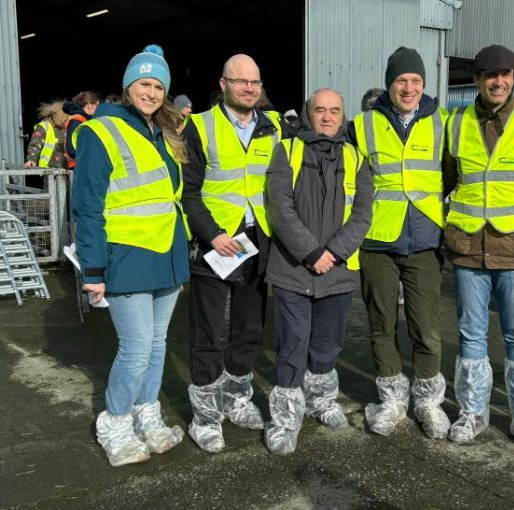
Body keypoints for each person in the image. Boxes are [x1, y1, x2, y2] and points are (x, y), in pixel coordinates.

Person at [72, 44, 190, 466]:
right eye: (144, 83)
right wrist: (93, 268)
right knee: (137, 347)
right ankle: (115, 422)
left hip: (166, 253)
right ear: (127, 86)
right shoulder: (100, 132)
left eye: (159, 86)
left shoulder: (163, 134)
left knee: (157, 345)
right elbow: (86, 205)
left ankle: (147, 415)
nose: (152, 92)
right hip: (126, 257)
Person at [443, 44, 514, 454]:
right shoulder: (455, 122)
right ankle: (473, 412)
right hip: (470, 246)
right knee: (471, 334)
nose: (498, 81)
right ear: (475, 80)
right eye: (490, 74)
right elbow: (449, 180)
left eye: (505, 73)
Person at [181, 54, 290, 453]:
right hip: (216, 243)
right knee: (207, 331)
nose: (249, 88)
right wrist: (211, 234)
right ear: (223, 83)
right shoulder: (198, 126)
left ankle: (237, 397)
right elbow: (188, 191)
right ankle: (206, 416)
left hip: (258, 241)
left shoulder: (275, 126)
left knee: (249, 328)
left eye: (255, 82)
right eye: (240, 81)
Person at [263, 88, 372, 455]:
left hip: (337, 271)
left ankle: (322, 402)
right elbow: (279, 206)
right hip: (293, 268)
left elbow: (363, 214)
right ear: (309, 114)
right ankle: (284, 419)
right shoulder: (288, 150)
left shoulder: (356, 157)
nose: (327, 117)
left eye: (335, 111)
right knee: (293, 344)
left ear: (343, 116)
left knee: (327, 344)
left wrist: (334, 252)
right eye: (320, 110)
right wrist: (311, 251)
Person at [350, 47, 450, 440]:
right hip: (378, 240)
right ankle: (391, 400)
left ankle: (428, 402)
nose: (408, 88)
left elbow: (453, 172)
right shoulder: (363, 124)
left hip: (425, 239)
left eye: (415, 81)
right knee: (381, 325)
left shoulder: (442, 123)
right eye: (400, 81)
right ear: (389, 84)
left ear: (423, 85)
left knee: (426, 328)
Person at [25, 101, 68, 168]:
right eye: (64, 120)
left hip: (67, 167)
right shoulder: (44, 126)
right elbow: (35, 145)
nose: (65, 123)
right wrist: (31, 159)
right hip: (49, 168)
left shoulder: (68, 127)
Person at [63, 91, 100, 168]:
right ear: (90, 105)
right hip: (78, 167)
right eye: (97, 105)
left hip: (81, 165)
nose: (98, 110)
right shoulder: (77, 120)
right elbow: (71, 149)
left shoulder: (83, 120)